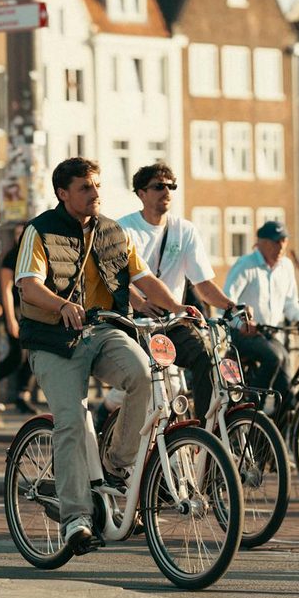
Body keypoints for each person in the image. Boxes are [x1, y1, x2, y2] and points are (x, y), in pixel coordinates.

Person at [16, 157, 194, 552]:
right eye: (85, 187)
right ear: (63, 194)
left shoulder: (113, 232)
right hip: (53, 340)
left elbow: (144, 279)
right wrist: (61, 304)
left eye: (97, 185)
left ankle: (115, 466)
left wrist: (180, 310)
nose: (95, 193)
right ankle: (76, 517)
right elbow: (28, 286)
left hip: (103, 331)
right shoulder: (40, 230)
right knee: (73, 420)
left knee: (143, 375)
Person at [118, 163, 241, 422]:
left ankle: (203, 432)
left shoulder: (184, 230)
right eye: (158, 186)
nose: (167, 191)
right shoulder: (124, 229)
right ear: (141, 193)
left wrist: (231, 306)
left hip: (171, 319)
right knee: (151, 387)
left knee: (206, 358)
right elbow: (114, 279)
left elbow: (203, 284)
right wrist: (139, 303)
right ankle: (109, 411)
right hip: (134, 322)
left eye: (171, 186)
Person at [224, 221, 299, 411]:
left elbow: (290, 302)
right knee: (273, 357)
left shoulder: (286, 266)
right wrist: (242, 324)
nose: (280, 246)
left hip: (269, 334)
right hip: (241, 333)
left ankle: (281, 421)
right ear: (261, 243)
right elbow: (226, 303)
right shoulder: (245, 265)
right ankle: (255, 407)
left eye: (283, 241)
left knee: (285, 365)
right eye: (274, 242)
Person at [0, 222, 37, 414]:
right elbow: (5, 289)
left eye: (24, 233)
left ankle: (23, 395)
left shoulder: (33, 254)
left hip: (33, 312)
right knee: (16, 356)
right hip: (15, 311)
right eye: (17, 233)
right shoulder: (11, 257)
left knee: (33, 355)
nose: (20, 236)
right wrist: (10, 318)